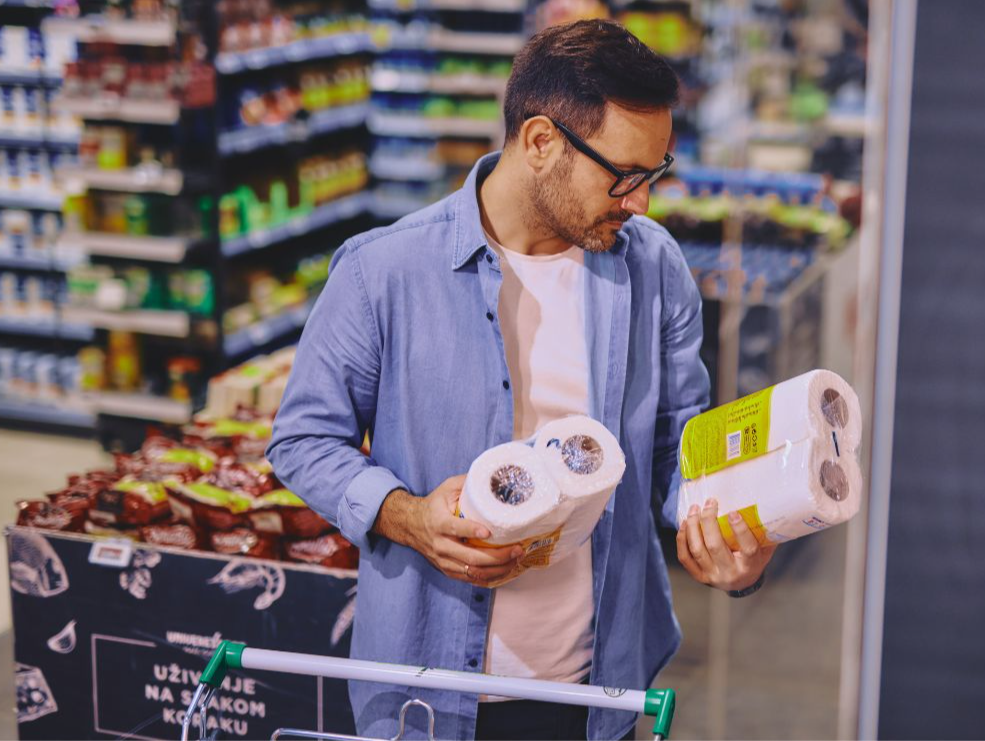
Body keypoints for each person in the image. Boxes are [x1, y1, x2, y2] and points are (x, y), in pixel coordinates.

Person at [268, 18, 776, 741]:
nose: (641, 202)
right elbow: (302, 438)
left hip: (599, 694)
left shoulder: (652, 267)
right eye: (625, 176)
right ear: (540, 142)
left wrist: (731, 536)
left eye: (653, 176)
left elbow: (677, 446)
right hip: (430, 694)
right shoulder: (383, 272)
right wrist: (406, 515)